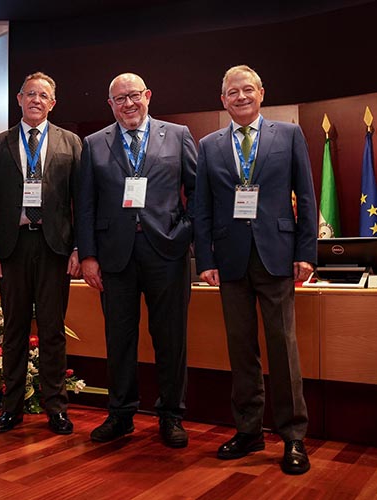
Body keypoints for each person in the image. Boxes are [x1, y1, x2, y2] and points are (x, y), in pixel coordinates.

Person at [193, 64, 317, 475]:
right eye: (233, 92)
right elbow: (202, 208)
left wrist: (306, 252)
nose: (241, 97)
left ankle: (293, 436)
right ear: (222, 99)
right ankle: (248, 431)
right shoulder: (209, 145)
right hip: (230, 260)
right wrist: (205, 259)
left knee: (283, 348)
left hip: (277, 255)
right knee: (240, 349)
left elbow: (306, 196)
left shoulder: (289, 135)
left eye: (248, 89)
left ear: (261, 92)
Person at [75, 73, 197, 448]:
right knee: (119, 339)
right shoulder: (93, 144)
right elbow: (85, 205)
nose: (128, 104)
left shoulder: (178, 135)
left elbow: (198, 193)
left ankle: (171, 416)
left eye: (133, 96)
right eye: (119, 99)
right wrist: (88, 255)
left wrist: (184, 232)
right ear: (110, 105)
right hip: (115, 256)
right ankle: (121, 414)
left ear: (148, 95)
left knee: (171, 338)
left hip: (167, 252)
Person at [0, 71, 82, 435]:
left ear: (53, 103)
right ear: (19, 99)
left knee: (53, 331)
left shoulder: (71, 143)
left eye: (43, 95)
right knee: (14, 331)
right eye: (30, 94)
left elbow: (81, 201)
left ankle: (57, 409)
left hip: (55, 248)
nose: (36, 100)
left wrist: (79, 248)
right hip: (12, 248)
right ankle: (12, 409)